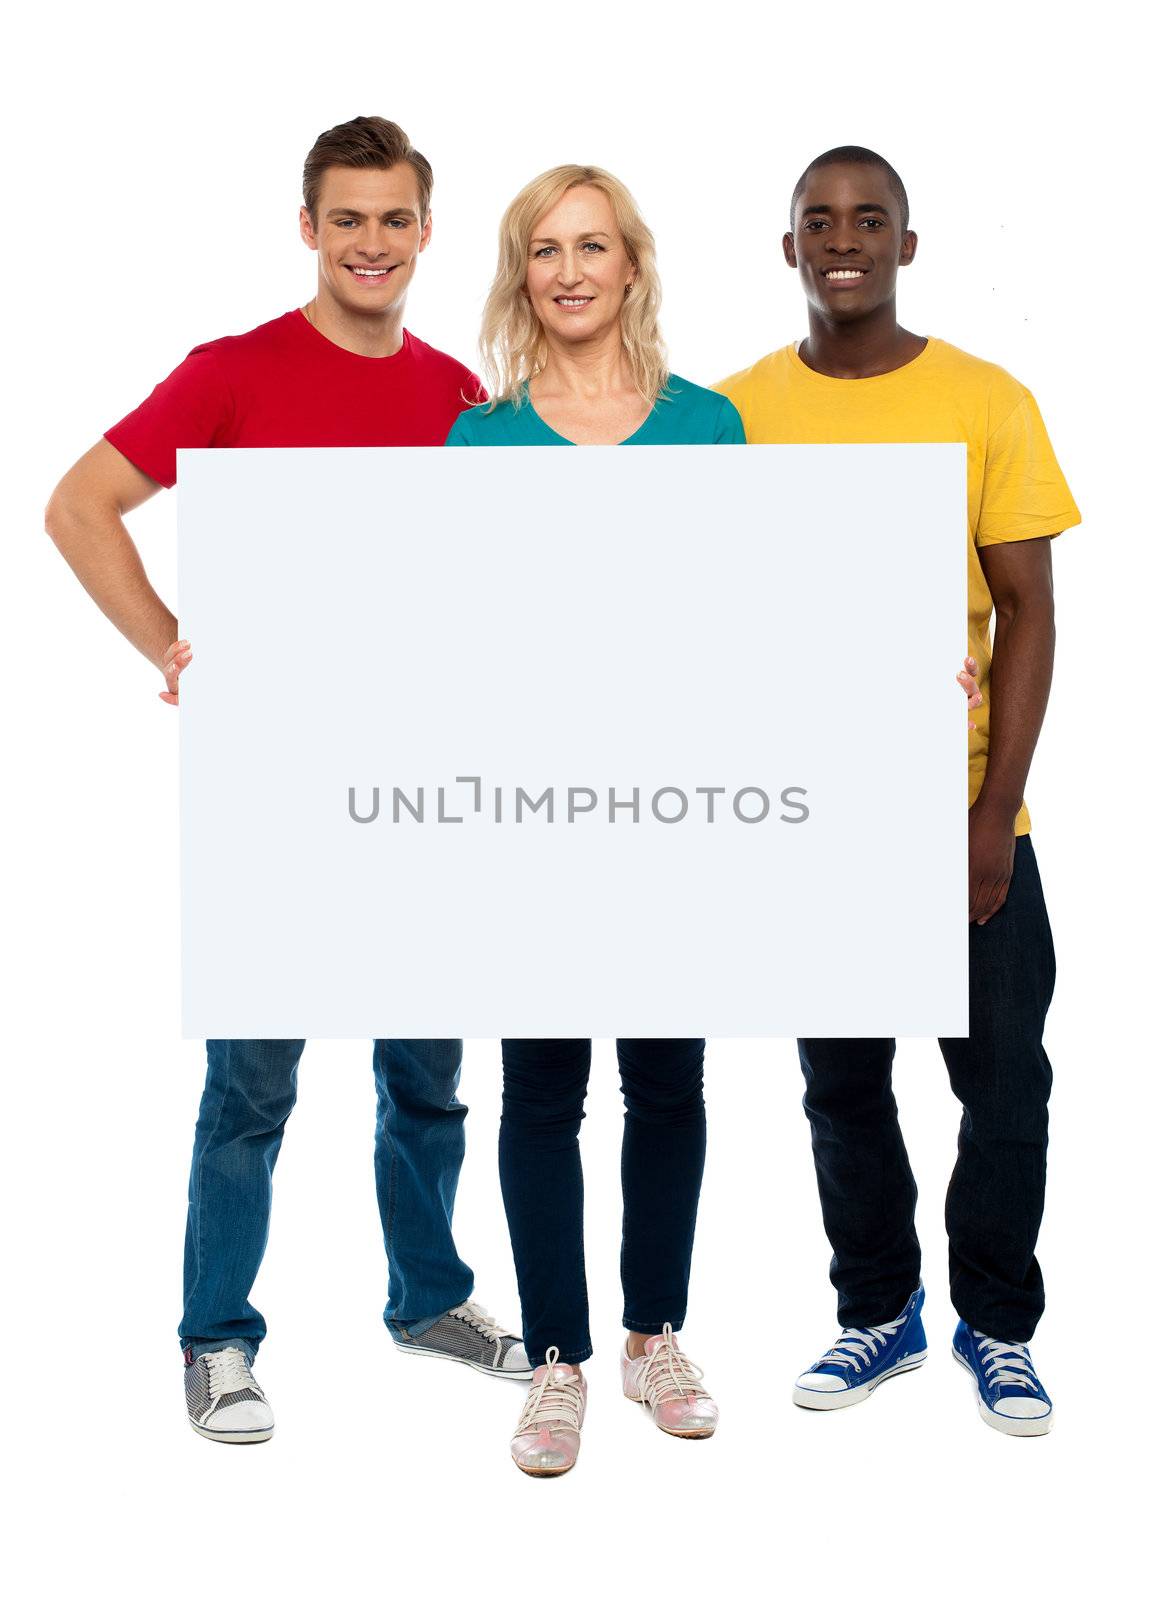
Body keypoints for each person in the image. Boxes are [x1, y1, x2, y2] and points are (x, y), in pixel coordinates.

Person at [44, 115, 529, 1446]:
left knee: (426, 1072)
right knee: (253, 1088)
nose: (370, 243)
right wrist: (173, 649)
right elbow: (77, 505)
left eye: (393, 219)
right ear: (308, 228)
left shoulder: (453, 396)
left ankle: (428, 1296)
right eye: (346, 219)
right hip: (277, 789)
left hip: (427, 787)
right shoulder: (232, 373)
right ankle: (215, 1338)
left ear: (425, 232)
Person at [715, 146, 1079, 1437]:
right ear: (788, 250)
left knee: (1006, 1086)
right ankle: (878, 1310)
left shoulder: (986, 400)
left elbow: (1031, 610)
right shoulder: (735, 411)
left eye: (869, 218)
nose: (843, 238)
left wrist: (990, 819)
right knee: (842, 1085)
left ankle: (997, 1327)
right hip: (815, 822)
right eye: (818, 220)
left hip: (963, 820)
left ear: (906, 245)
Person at [447, 165, 742, 1476]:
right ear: (521, 276)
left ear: (631, 265)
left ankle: (651, 1338)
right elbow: (433, 634)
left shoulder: (708, 427)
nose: (569, 270)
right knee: (541, 1089)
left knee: (667, 1080)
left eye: (593, 245)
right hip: (529, 813)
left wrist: (888, 665)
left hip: (675, 813)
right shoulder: (481, 441)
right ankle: (557, 1359)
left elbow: (765, 614)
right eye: (543, 250)